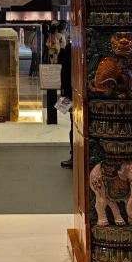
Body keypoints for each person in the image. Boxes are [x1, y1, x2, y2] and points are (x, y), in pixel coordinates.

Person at [59, 35, 73, 169]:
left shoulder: (70, 48)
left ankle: (74, 156)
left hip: (72, 93)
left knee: (74, 126)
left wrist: (64, 92)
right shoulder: (71, 49)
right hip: (73, 92)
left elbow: (64, 73)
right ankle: (74, 155)